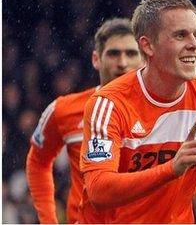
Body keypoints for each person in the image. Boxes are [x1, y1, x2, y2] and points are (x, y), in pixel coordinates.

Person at [79, 0, 196, 223]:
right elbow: (99, 191)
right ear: (148, 46)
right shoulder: (109, 103)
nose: (194, 45)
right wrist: (171, 168)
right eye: (181, 35)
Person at [26, 18, 145, 223]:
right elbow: (38, 161)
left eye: (131, 53)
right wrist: (48, 220)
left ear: (144, 59)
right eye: (114, 53)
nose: (123, 63)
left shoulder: (165, 110)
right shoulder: (64, 110)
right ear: (96, 59)